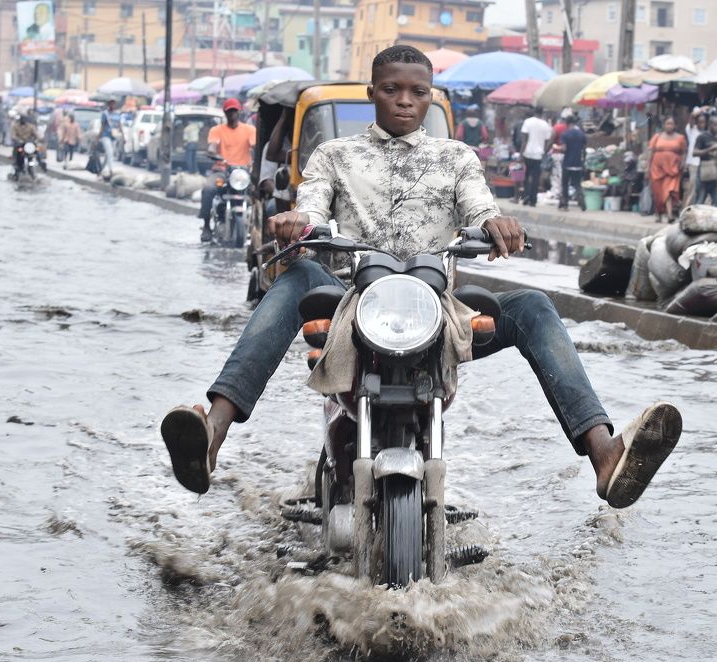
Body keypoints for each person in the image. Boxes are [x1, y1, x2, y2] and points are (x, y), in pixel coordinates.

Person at [160, 45, 682, 514]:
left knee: (535, 308)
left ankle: (605, 454)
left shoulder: (456, 157)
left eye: (418, 92)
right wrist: (298, 222)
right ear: (372, 94)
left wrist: (496, 225)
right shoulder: (334, 155)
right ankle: (214, 431)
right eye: (392, 90)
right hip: (350, 306)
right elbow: (312, 203)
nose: (405, 101)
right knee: (296, 274)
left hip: (436, 309)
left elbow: (481, 209)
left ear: (431, 97)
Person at [197, 98, 257, 242]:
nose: (232, 114)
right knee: (208, 189)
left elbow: (255, 147)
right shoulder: (217, 130)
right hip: (222, 170)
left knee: (259, 191)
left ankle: (258, 228)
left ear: (239, 112)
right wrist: (213, 152)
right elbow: (212, 145)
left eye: (234, 111)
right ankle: (206, 226)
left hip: (243, 173)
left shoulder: (249, 130)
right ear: (225, 112)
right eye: (229, 111)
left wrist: (255, 158)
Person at [646, 116, 687, 224]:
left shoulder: (680, 138)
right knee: (658, 193)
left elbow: (683, 152)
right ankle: (659, 214)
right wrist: (647, 168)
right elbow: (650, 152)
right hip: (657, 168)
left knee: (668, 191)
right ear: (664, 125)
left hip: (672, 168)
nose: (669, 126)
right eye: (667, 123)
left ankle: (669, 215)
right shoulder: (657, 137)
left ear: (675, 125)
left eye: (671, 124)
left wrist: (682, 163)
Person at [520, 109, 554, 206]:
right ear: (542, 113)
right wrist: (544, 151)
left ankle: (526, 195)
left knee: (526, 176)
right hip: (539, 155)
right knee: (535, 178)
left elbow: (524, 140)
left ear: (534, 112)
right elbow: (549, 141)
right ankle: (533, 200)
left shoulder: (527, 122)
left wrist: (521, 154)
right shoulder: (545, 125)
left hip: (528, 153)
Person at [692, 114, 717, 207]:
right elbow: (694, 153)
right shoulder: (702, 137)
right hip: (704, 172)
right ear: (710, 125)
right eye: (716, 125)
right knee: (700, 200)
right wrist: (710, 149)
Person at [558, 115, 587, 211]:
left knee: (565, 184)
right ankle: (581, 196)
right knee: (577, 184)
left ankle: (565, 204)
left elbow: (564, 148)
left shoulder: (565, 134)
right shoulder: (581, 134)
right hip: (578, 164)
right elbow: (584, 149)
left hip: (567, 163)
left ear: (567, 123)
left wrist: (560, 149)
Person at [683, 110, 706, 206]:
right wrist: (702, 109)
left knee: (701, 189)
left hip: (703, 164)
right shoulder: (692, 130)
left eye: (704, 122)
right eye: (700, 122)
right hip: (693, 163)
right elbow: (692, 117)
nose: (702, 124)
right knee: (692, 188)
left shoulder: (706, 133)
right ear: (696, 123)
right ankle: (685, 209)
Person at [98, 99, 120, 180]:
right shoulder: (105, 114)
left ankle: (100, 170)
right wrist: (98, 136)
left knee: (108, 155)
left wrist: (123, 137)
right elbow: (102, 126)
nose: (113, 106)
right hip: (105, 135)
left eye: (114, 104)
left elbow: (119, 125)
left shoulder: (117, 114)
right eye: (111, 104)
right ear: (108, 105)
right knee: (110, 153)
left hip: (114, 136)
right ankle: (111, 171)